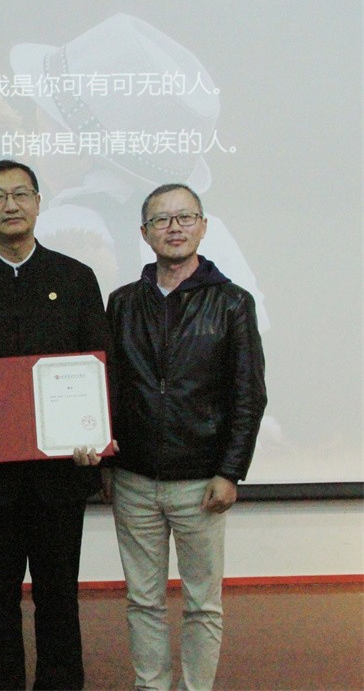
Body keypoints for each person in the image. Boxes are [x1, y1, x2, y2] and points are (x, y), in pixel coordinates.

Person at [0, 159, 111, 689]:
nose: (10, 205)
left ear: (37, 203)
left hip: (61, 475)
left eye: (20, 194)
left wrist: (95, 433)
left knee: (59, 597)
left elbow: (99, 364)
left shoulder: (75, 279)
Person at [104, 183, 267, 690]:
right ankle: (151, 686)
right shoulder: (122, 303)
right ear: (144, 233)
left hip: (201, 481)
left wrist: (230, 471)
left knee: (202, 603)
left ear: (202, 225)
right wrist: (107, 462)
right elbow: (108, 387)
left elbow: (249, 395)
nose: (173, 228)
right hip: (134, 479)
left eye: (184, 217)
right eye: (161, 219)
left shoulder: (232, 303)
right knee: (143, 600)